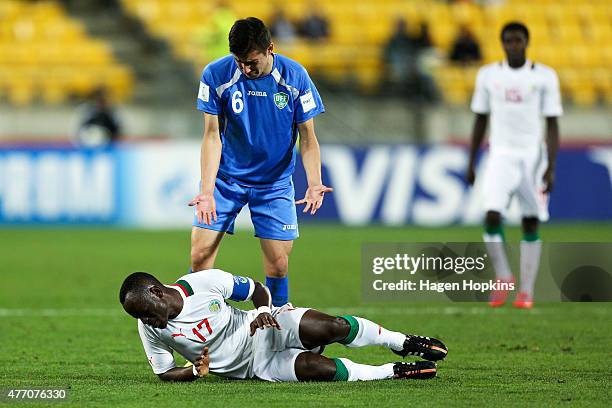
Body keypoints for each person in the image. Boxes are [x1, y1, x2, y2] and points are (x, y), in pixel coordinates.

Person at [189, 17, 332, 307]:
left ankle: (276, 332)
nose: (245, 69)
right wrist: (206, 191)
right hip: (226, 179)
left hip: (273, 183)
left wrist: (314, 183)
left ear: (270, 49)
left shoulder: (295, 77)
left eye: (252, 61)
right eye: (240, 61)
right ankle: (201, 331)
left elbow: (308, 139)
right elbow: (211, 136)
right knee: (200, 255)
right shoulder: (216, 74)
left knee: (278, 263)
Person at [119, 270, 448, 382]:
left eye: (146, 312)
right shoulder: (149, 328)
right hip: (255, 366)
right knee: (319, 369)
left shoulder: (203, 283)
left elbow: (257, 289)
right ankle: (395, 370)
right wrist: (193, 372)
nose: (146, 321)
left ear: (157, 292)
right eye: (139, 318)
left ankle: (400, 341)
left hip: (267, 326)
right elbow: (163, 372)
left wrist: (262, 309)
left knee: (331, 326)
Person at [465, 22, 562, 309]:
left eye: (518, 40)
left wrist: (551, 165)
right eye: (509, 41)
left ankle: (527, 291)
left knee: (530, 220)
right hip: (500, 155)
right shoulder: (489, 75)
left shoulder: (545, 77)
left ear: (527, 42)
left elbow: (553, 123)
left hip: (533, 155)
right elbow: (480, 118)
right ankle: (504, 277)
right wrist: (472, 160)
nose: (513, 45)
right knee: (492, 214)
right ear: (502, 43)